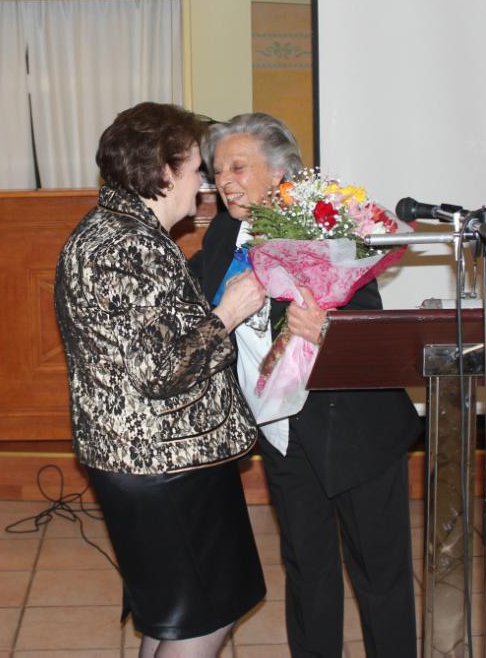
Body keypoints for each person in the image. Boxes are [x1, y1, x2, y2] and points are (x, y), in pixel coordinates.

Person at [192, 112, 421, 658]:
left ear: (279, 173)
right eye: (217, 171)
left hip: (354, 430)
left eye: (238, 167)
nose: (224, 181)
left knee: (379, 574)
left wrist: (326, 330)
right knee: (307, 570)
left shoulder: (323, 225)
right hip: (280, 432)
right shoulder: (223, 232)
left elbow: (368, 321)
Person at [53, 101, 268, 657]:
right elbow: (160, 368)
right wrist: (229, 312)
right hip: (164, 463)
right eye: (197, 169)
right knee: (201, 622)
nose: (205, 184)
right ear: (164, 171)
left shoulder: (118, 230)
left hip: (153, 459)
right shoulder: (127, 245)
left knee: (175, 619)